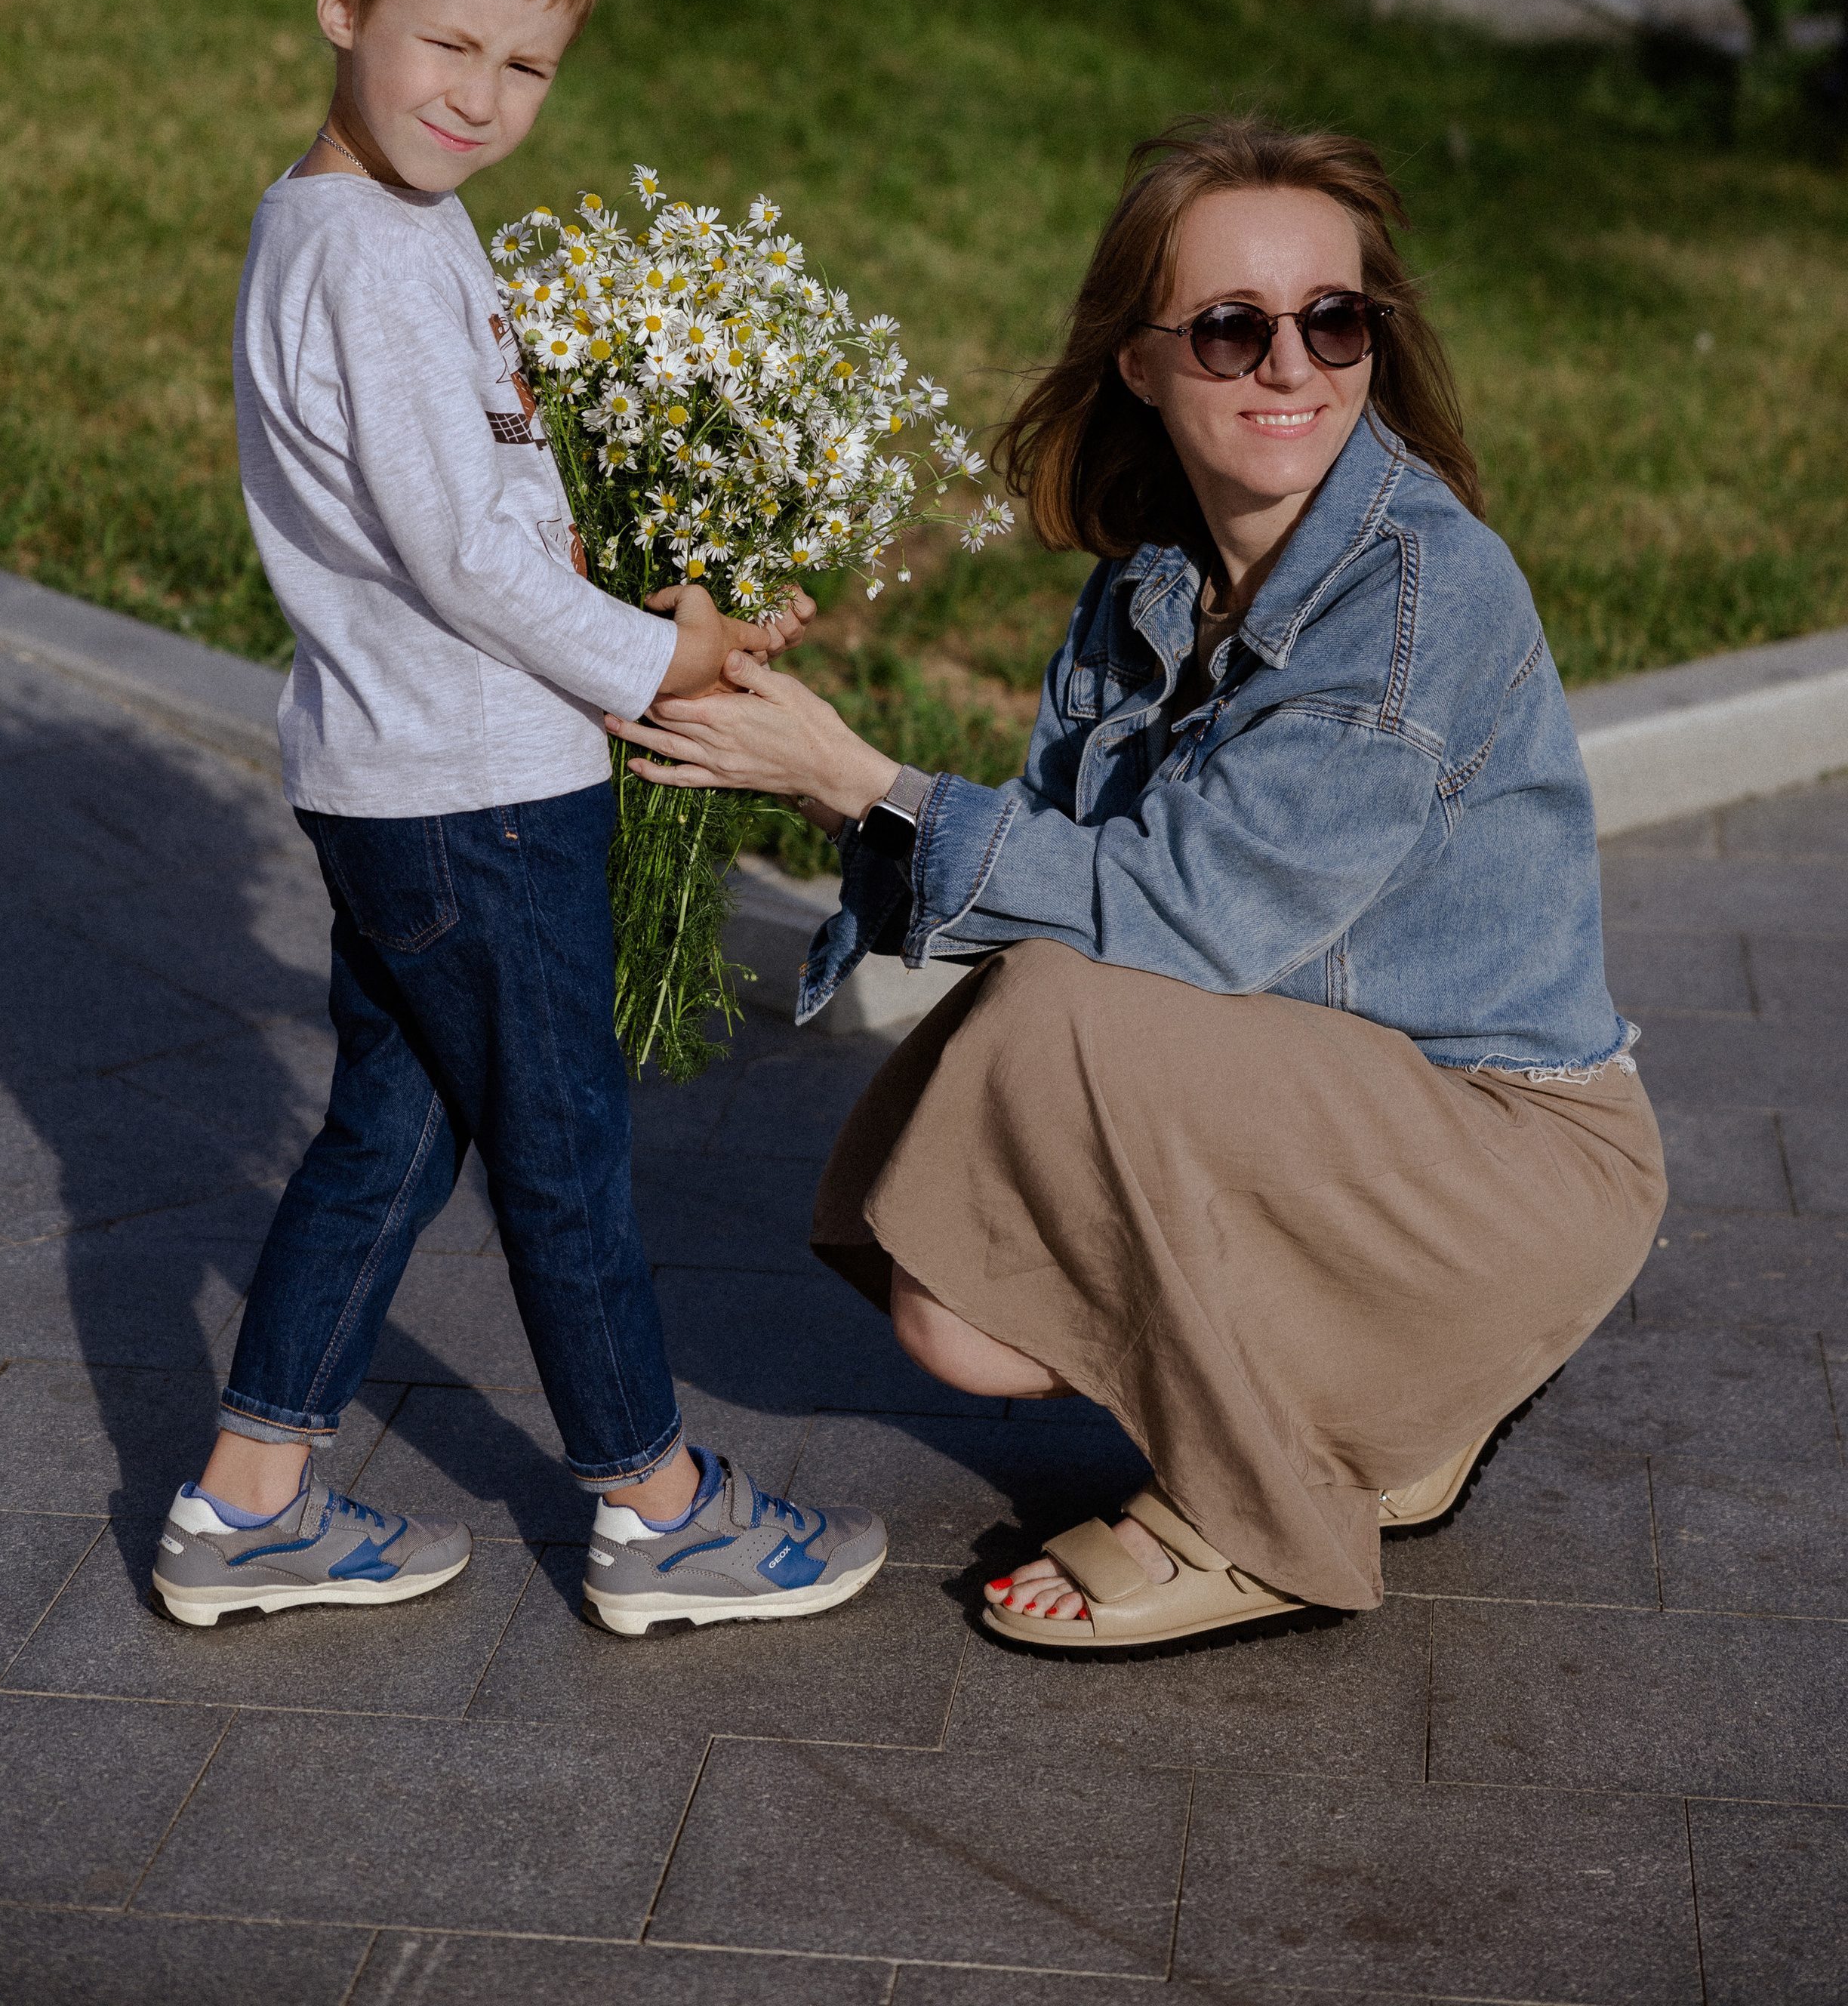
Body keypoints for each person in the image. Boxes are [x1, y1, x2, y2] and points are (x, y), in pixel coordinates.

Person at [610, 114, 1665, 1652]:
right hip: (1344, 1114)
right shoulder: (1152, 582)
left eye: (1334, 319)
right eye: (1231, 328)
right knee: (958, 1298)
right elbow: (1053, 855)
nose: (1290, 365)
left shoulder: (1418, 595)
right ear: (1141, 363)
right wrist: (779, 753)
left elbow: (1192, 916)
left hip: (1503, 1159)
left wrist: (866, 783)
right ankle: (1395, 1398)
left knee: (1056, 1014)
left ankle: (1261, 1514)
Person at [153, 0, 884, 1637]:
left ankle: (245, 1503)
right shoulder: (375, 257)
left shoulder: (377, 221)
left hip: (402, 779)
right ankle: (656, 1509)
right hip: (473, 795)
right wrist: (659, 667)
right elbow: (464, 564)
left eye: (529, 65)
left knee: (389, 1142)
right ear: (343, 5)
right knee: (566, 1162)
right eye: (449, 43)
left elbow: (473, 521)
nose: (482, 97)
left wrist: (649, 606)